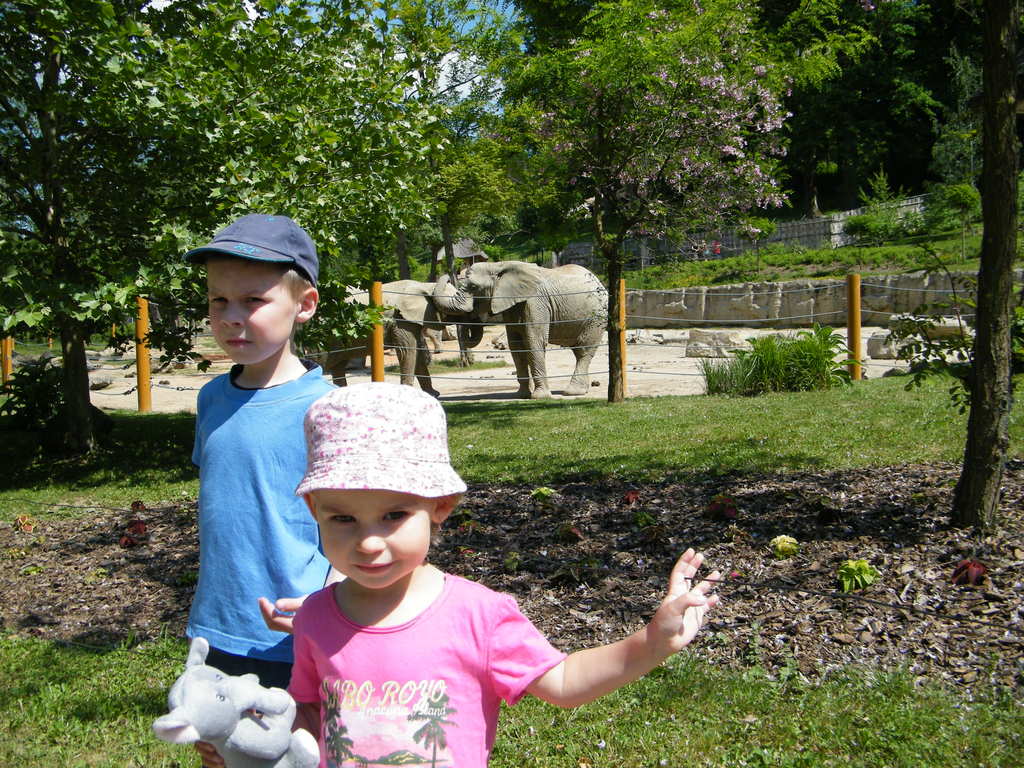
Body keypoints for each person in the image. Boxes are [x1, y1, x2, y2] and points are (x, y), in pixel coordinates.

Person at [287, 382, 721, 767]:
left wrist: (650, 644)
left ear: (440, 505)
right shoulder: (315, 617)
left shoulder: (478, 614)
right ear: (314, 511)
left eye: (393, 515)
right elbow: (310, 712)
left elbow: (565, 682)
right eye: (342, 519)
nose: (368, 542)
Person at [183, 214, 337, 735]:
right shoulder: (211, 399)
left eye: (254, 301)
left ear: (305, 305)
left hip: (301, 629)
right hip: (219, 627)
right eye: (217, 301)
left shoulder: (329, 410)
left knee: (299, 750)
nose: (231, 317)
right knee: (226, 751)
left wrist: (332, 600)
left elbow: (351, 521)